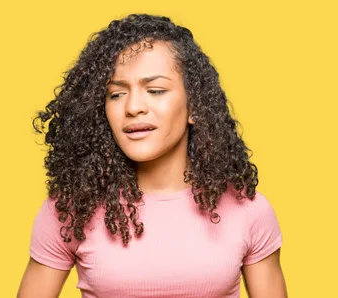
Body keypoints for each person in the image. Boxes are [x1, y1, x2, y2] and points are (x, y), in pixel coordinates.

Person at [17, 14, 287, 298]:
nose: (133, 107)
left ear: (195, 106)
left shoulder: (249, 210)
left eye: (155, 90)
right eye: (116, 94)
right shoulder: (71, 210)